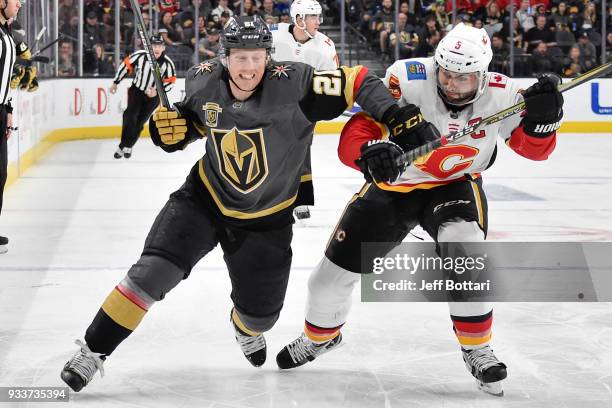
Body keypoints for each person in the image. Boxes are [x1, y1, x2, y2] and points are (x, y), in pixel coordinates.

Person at [59, 15, 420, 392]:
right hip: (204, 199)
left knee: (261, 319)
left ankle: (243, 323)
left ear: (268, 56)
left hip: (268, 217)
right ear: (224, 58)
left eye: (256, 57)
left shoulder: (297, 82)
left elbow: (359, 80)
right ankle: (93, 350)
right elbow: (197, 121)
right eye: (239, 58)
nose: (248, 68)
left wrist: (395, 116)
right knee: (150, 273)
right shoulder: (202, 78)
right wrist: (175, 131)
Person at [276, 23, 563, 397]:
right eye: (446, 73)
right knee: (326, 282)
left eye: (464, 78)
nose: (452, 85)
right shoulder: (405, 78)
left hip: (455, 185)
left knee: (466, 247)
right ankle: (321, 336)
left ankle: (477, 347)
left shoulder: (504, 92)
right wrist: (369, 155)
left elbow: (534, 150)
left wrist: (543, 124)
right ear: (435, 63)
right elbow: (357, 135)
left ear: (483, 73)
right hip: (394, 188)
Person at [270, 0, 338, 221]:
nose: (318, 22)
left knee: (300, 149)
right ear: (298, 19)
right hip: (271, 103)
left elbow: (332, 80)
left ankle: (300, 198)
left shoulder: (325, 46)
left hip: (304, 107)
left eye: (318, 16)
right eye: (313, 17)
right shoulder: (274, 35)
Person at [109, 34, 176, 159]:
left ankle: (126, 146)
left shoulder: (167, 64)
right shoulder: (139, 56)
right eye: (154, 45)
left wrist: (157, 91)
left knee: (140, 122)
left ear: (163, 48)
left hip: (153, 97)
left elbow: (171, 81)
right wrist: (116, 82)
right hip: (137, 91)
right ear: (148, 47)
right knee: (129, 116)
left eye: (159, 45)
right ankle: (125, 145)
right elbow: (126, 66)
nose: (156, 48)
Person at [0, 0, 21, 255]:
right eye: (16, 1)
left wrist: (8, 109)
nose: (20, 5)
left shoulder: (7, 33)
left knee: (0, 174)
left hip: (1, 111)